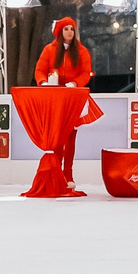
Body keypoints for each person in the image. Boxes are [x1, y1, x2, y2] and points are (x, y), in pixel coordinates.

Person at [32, 16, 100, 197]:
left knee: (70, 137)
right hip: (54, 99)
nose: (70, 32)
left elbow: (86, 73)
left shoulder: (82, 51)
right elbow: (39, 70)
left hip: (72, 99)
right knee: (56, 137)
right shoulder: (49, 50)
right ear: (60, 32)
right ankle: (55, 173)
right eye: (66, 29)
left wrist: (75, 83)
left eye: (72, 29)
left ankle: (68, 173)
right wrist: (43, 82)